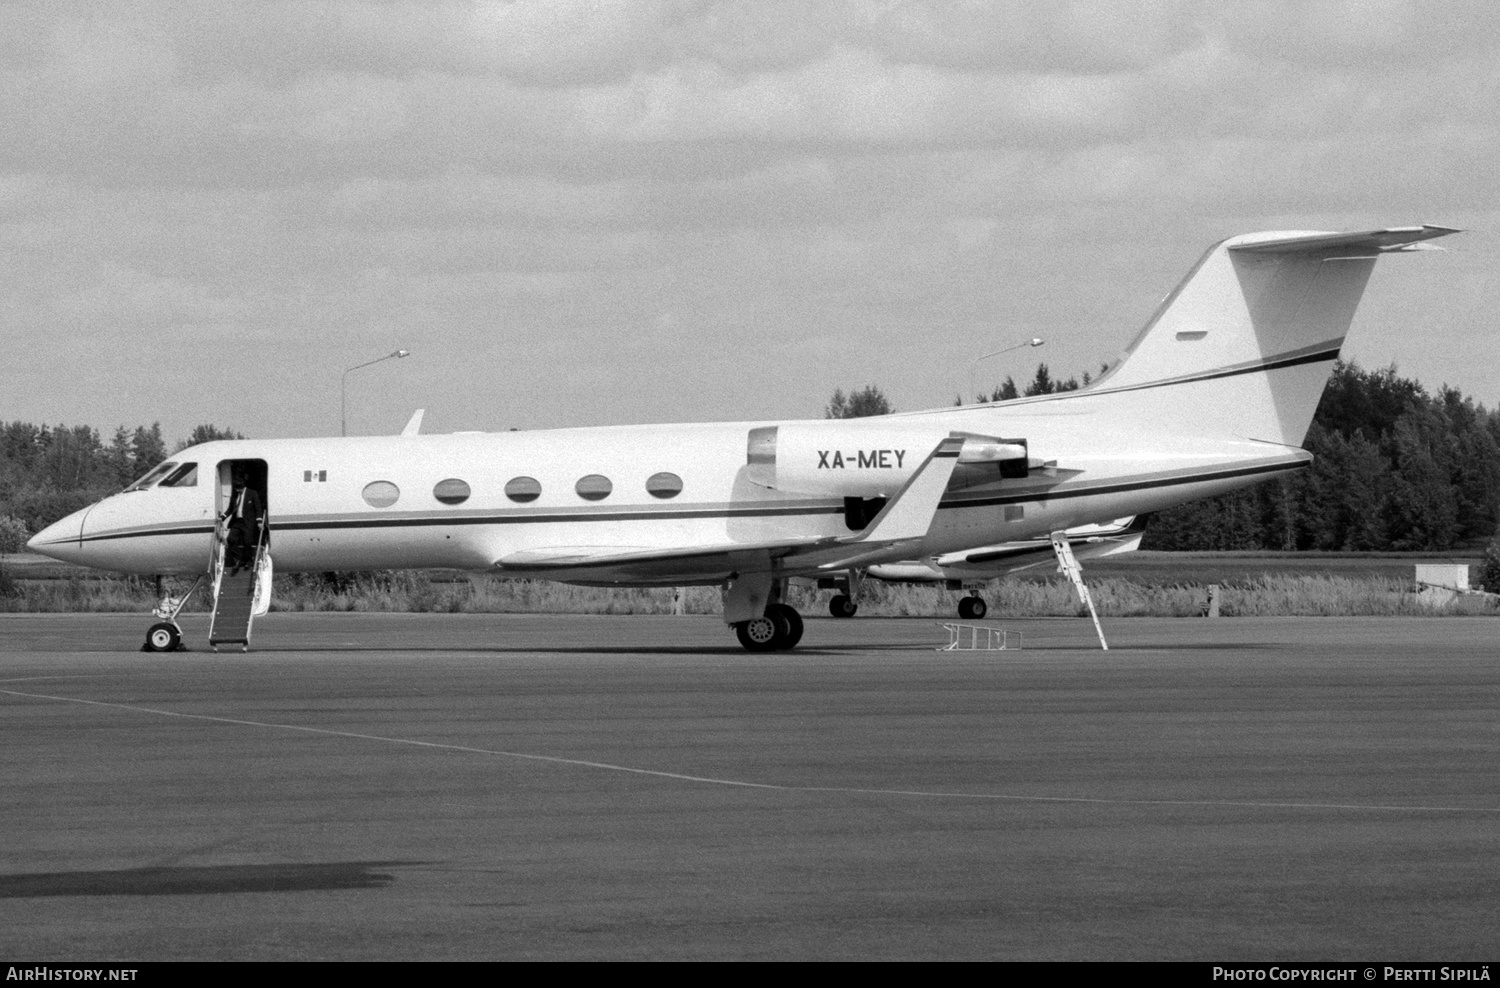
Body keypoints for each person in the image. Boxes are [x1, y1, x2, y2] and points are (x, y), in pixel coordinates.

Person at [222, 468, 265, 576]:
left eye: (239, 489)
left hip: (248, 522)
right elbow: (231, 509)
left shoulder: (252, 494)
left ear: (243, 487)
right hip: (237, 521)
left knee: (247, 542)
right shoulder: (235, 495)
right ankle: (238, 559)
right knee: (230, 539)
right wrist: (222, 517)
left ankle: (248, 561)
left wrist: (259, 521)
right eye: (236, 489)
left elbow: (258, 508)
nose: (237, 491)